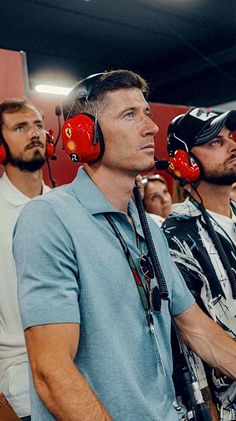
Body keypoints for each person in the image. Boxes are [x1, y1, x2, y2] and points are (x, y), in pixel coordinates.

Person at [13, 71, 236, 421]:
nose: (151, 128)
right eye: (130, 115)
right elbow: (51, 372)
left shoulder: (148, 228)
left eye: (146, 113)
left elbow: (199, 331)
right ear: (86, 135)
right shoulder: (49, 219)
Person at [162, 107, 236, 420]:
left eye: (228, 138)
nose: (232, 145)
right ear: (185, 162)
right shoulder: (176, 235)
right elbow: (187, 342)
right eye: (214, 143)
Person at [0, 98, 51, 420]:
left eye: (38, 125)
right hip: (22, 389)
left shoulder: (67, 207)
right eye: (20, 127)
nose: (34, 134)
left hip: (84, 377)